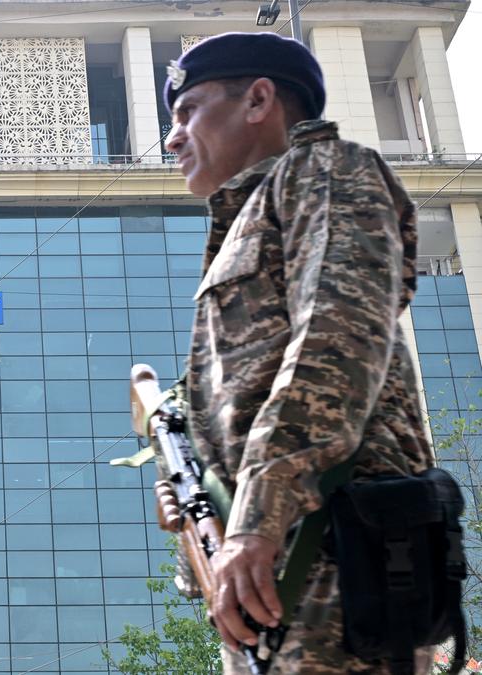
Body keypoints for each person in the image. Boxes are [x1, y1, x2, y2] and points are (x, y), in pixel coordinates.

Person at [162, 32, 435, 673]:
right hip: (266, 585)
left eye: (188, 111)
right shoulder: (244, 221)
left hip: (340, 557)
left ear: (258, 101)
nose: (173, 138)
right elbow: (239, 413)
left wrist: (256, 519)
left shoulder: (326, 171)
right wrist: (196, 503)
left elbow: (336, 343)